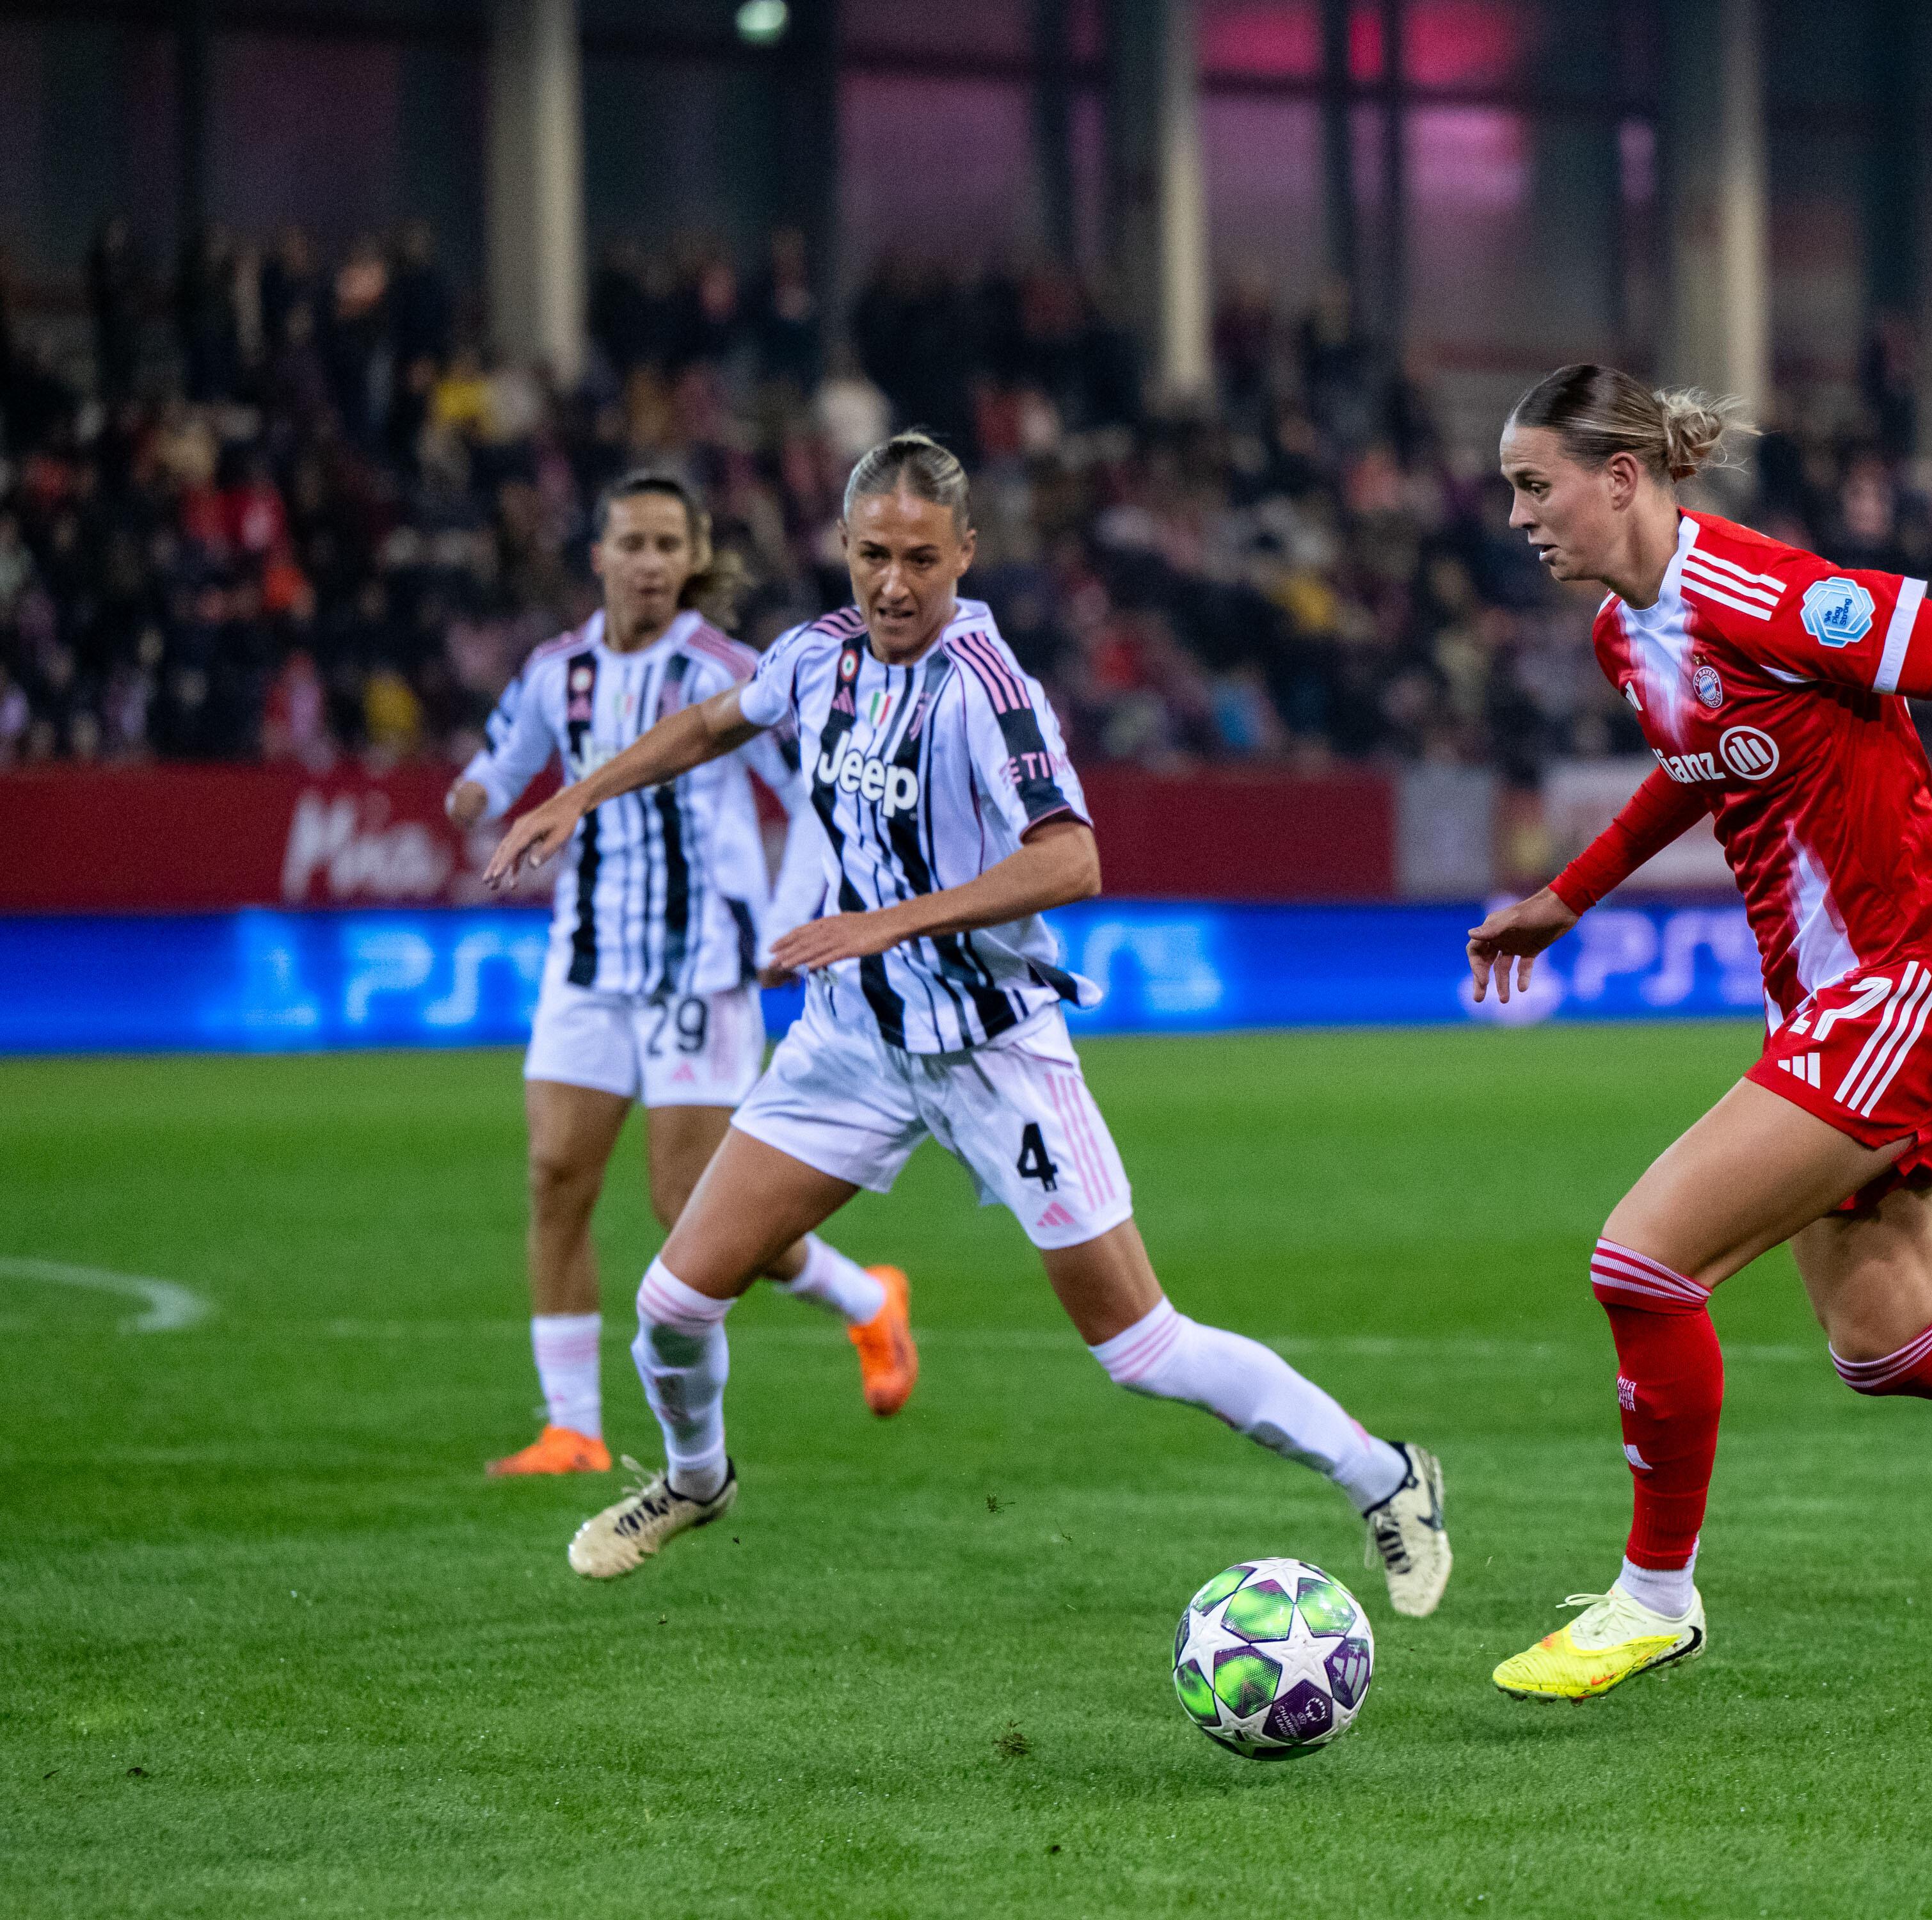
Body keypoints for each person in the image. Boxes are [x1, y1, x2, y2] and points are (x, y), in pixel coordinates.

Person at [481, 432, 1453, 1616]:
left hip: (994, 1053)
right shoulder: (818, 656)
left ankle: (1387, 1476)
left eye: (923, 561)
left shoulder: (992, 694)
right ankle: (695, 1481)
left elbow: (1074, 860)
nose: (895, 585)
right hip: (852, 1045)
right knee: (673, 1303)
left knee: (1139, 1349)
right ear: (844, 548)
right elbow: (711, 727)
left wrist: (892, 921)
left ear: (966, 556)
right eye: (875, 556)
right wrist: (575, 794)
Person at [1465, 365, 1932, 1704]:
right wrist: (1564, 899)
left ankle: (1656, 1597)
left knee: (1640, 1264)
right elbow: (1695, 771)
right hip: (1827, 1003)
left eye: (1538, 485)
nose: (1520, 515)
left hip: (1910, 980)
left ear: (1624, 480)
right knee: (1890, 1341)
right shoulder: (1621, 636)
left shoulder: (1766, 593)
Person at [450, 471, 914, 1477]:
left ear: (693, 560)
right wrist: (474, 794)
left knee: (687, 1205)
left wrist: (790, 920)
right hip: (585, 960)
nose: (652, 562)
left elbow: (814, 795)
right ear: (601, 557)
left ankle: (867, 1300)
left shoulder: (730, 670)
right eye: (635, 543)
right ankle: (572, 1427)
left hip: (700, 967)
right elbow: (505, 760)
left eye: (670, 545)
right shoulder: (555, 670)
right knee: (555, 1179)